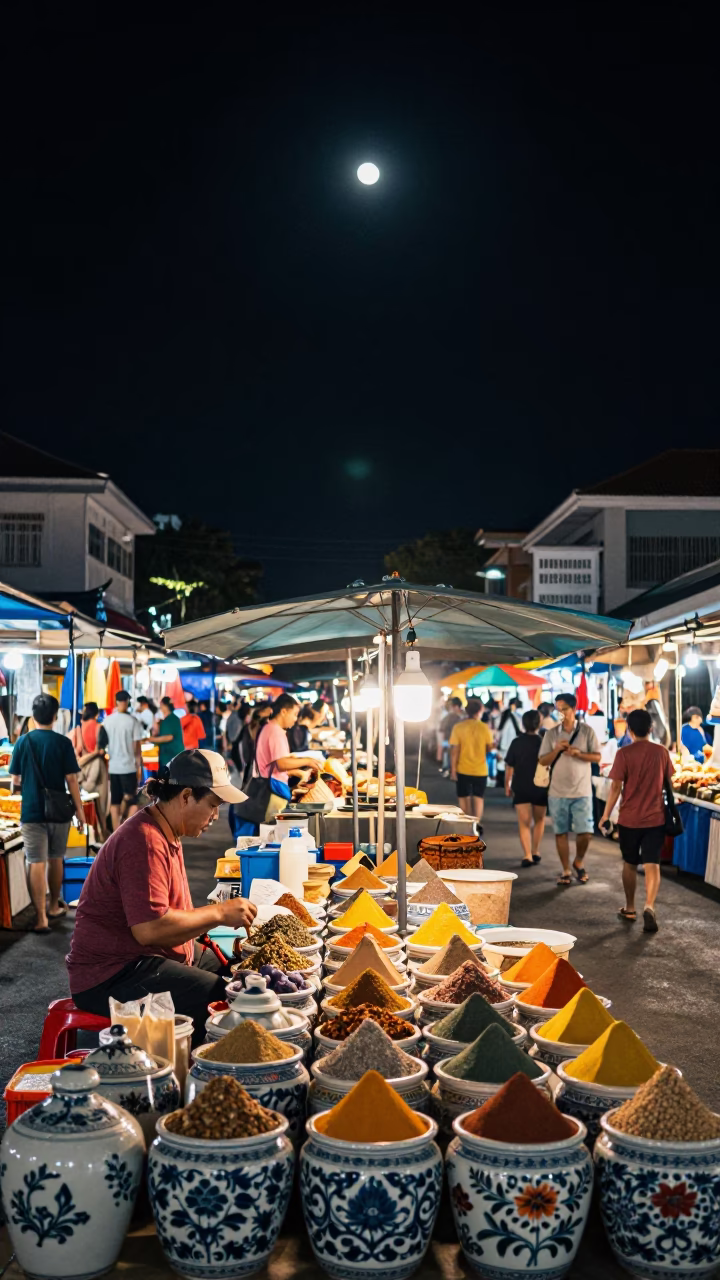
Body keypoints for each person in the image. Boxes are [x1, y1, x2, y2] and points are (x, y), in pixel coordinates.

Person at [67, 749, 256, 1045]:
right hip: (111, 974)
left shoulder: (167, 831)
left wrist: (209, 926)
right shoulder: (143, 840)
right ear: (185, 796)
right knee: (220, 997)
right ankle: (199, 1078)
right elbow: (149, 929)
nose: (215, 816)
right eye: (213, 805)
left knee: (239, 972)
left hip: (145, 957)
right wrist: (219, 913)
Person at [9, 693, 85, 933]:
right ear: (55, 717)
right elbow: (72, 780)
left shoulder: (23, 742)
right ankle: (53, 905)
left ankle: (40, 917)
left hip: (31, 810)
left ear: (33, 716)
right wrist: (80, 813)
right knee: (55, 858)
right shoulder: (63, 743)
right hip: (58, 811)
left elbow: (15, 779)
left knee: (35, 861)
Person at [599, 707, 673, 933]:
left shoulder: (624, 754)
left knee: (630, 863)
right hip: (656, 817)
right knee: (652, 864)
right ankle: (649, 905)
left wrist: (604, 815)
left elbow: (615, 787)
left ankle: (630, 907)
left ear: (630, 730)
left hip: (629, 819)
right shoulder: (661, 752)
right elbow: (668, 780)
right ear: (650, 729)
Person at [538, 692, 601, 886]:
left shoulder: (587, 731)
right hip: (557, 791)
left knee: (586, 832)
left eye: (564, 709)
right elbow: (542, 760)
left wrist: (578, 754)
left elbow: (597, 757)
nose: (561, 713)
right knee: (561, 832)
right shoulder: (551, 734)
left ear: (574, 709)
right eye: (558, 710)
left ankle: (578, 861)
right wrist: (556, 749)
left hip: (582, 790)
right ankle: (566, 869)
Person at [505, 709, 548, 866]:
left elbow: (509, 766)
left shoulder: (516, 742)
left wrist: (507, 785)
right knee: (540, 820)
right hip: (540, 786)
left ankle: (527, 855)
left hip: (521, 785)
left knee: (523, 822)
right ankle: (536, 851)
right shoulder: (544, 742)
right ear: (539, 723)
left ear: (523, 723)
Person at [98, 690, 144, 831]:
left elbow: (102, 744)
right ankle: (123, 826)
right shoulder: (133, 721)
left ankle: (115, 832)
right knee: (132, 800)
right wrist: (139, 766)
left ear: (116, 702)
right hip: (128, 767)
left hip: (113, 767)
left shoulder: (107, 721)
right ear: (128, 702)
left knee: (115, 801)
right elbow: (137, 748)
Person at [254, 694, 323, 788]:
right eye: (295, 714)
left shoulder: (269, 728)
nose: (295, 719)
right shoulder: (275, 731)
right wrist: (308, 761)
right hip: (272, 790)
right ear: (283, 712)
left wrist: (297, 772)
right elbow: (281, 764)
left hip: (268, 785)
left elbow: (272, 766)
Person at [449, 698, 494, 827]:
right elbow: (490, 748)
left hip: (462, 768)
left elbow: (454, 751)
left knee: (463, 797)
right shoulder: (485, 728)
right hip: (480, 769)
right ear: (480, 711)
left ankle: (466, 825)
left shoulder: (458, 727)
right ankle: (476, 823)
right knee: (478, 797)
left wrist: (453, 770)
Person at [69, 701, 109, 840]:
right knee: (101, 805)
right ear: (97, 714)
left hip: (80, 769)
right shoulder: (99, 728)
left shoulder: (78, 729)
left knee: (87, 802)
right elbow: (101, 751)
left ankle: (93, 834)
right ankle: (102, 834)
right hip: (97, 767)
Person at [240, 702, 273, 787]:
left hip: (252, 764)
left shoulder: (249, 727)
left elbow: (245, 749)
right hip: (256, 765)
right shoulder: (262, 728)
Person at [152, 696, 186, 769]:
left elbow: (168, 737)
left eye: (161, 705)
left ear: (165, 706)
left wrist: (149, 739)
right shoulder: (172, 718)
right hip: (172, 755)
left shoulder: (169, 720)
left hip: (171, 756)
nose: (160, 707)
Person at [496, 702, 521, 788]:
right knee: (510, 767)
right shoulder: (515, 720)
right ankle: (508, 785)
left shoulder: (502, 723)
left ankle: (503, 784)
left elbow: (498, 737)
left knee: (503, 766)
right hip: (512, 747)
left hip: (503, 748)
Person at [439, 697, 464, 776]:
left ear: (456, 706)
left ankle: (450, 770)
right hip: (453, 741)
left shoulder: (451, 716)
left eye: (451, 706)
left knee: (449, 755)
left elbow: (442, 728)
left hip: (451, 740)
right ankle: (451, 770)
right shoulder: (465, 716)